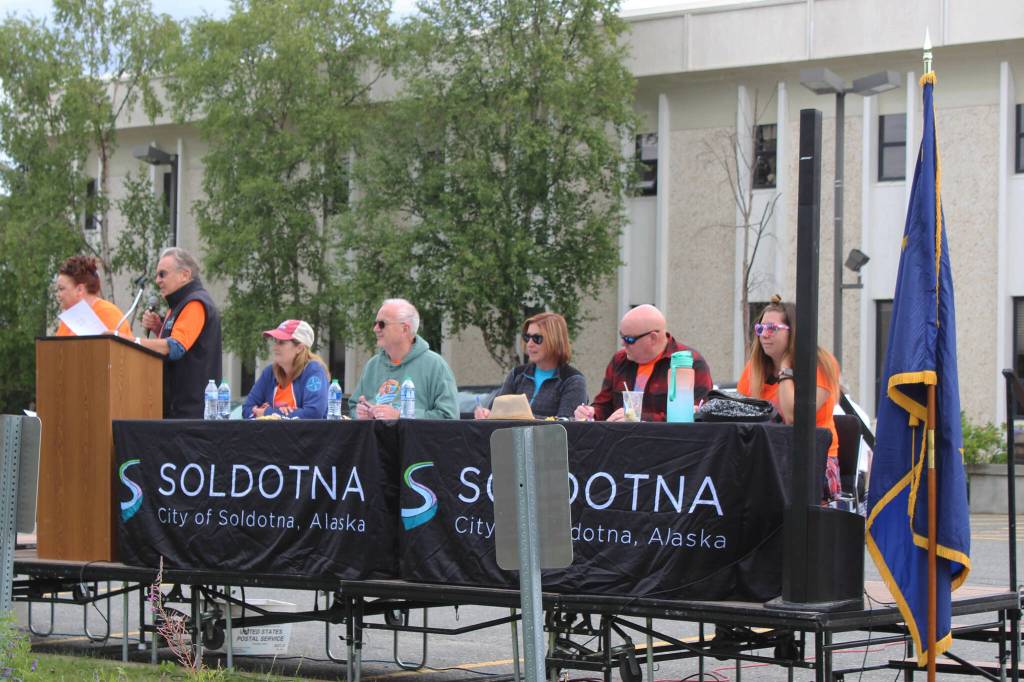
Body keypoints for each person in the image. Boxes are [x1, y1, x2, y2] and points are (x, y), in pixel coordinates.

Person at [737, 295, 842, 498]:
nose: (764, 335)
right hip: (768, 457)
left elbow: (793, 417)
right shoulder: (754, 369)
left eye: (772, 329)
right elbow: (744, 415)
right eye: (760, 329)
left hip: (815, 460)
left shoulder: (820, 364)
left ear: (793, 332)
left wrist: (785, 367)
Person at [574, 304, 712, 422]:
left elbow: (697, 416)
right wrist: (591, 412)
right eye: (622, 337)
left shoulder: (688, 364)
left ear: (652, 338)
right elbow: (604, 406)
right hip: (621, 445)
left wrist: (639, 418)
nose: (623, 344)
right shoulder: (619, 361)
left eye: (629, 339)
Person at [139, 247, 223, 419]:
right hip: (175, 411)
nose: (157, 280)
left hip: (189, 414)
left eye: (162, 274)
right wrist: (158, 328)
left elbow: (175, 347)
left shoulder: (195, 303)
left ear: (185, 274)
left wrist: (132, 342)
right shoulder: (178, 305)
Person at [349, 298, 459, 420]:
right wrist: (361, 414)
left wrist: (401, 415)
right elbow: (353, 406)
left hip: (414, 439)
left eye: (382, 324)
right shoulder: (372, 365)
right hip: (376, 439)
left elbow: (449, 417)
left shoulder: (435, 366)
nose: (375, 329)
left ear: (405, 329)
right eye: (374, 324)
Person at [473, 312, 587, 420]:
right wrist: (487, 414)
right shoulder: (517, 374)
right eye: (527, 337)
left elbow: (566, 424)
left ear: (555, 341)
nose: (529, 344)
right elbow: (496, 411)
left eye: (537, 338)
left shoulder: (573, 380)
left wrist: (521, 419)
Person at [243, 319, 329, 419]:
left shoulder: (313, 371)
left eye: (282, 342)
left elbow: (314, 413)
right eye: (276, 341)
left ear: (299, 348)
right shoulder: (269, 373)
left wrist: (267, 412)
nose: (275, 347)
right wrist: (282, 413)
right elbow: (247, 409)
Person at [54, 255, 132, 338]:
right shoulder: (69, 320)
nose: (58, 295)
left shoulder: (108, 314)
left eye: (61, 289)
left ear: (80, 289)